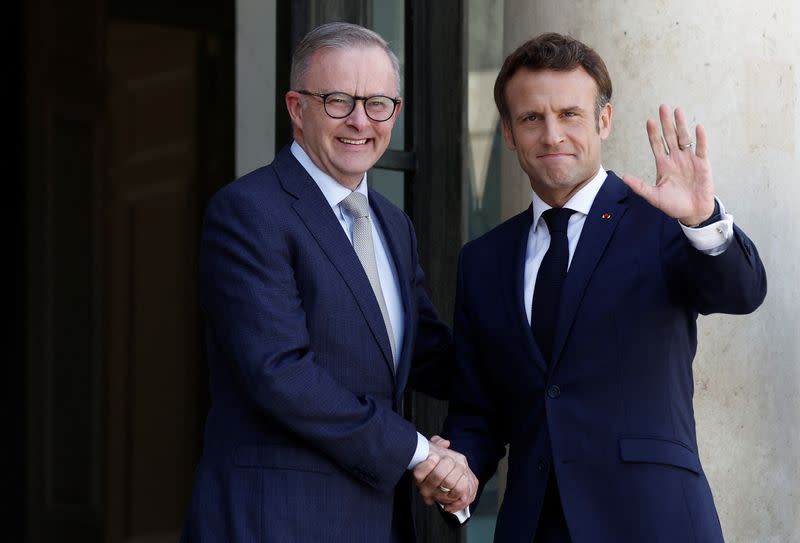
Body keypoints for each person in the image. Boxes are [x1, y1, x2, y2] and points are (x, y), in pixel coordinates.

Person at [442, 32, 767, 542]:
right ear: (508, 132)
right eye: (532, 118)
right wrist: (459, 475)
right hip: (532, 528)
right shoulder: (482, 260)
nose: (552, 136)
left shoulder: (663, 221)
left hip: (654, 522)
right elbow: (478, 412)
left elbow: (741, 292)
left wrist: (703, 219)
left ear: (604, 120)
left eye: (570, 114)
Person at [181, 22, 476, 543]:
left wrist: (541, 368)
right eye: (338, 101)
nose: (360, 121)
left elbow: (427, 354)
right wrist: (419, 452)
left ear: (396, 112)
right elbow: (281, 373)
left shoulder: (392, 223)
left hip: (375, 519)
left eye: (378, 103)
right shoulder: (249, 212)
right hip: (274, 521)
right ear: (297, 108)